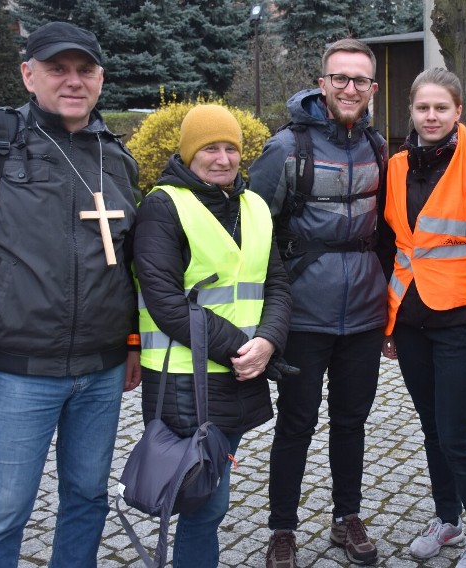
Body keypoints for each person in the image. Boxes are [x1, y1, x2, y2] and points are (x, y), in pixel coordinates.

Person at [0, 21, 142, 568]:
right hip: (16, 369)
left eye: (85, 70)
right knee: (4, 509)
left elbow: (131, 263)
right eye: (58, 68)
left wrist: (131, 341)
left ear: (101, 78)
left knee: (87, 498)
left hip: (101, 370)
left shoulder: (116, 158)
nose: (73, 80)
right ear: (28, 74)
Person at [133, 104, 292, 567]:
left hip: (237, 372)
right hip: (185, 379)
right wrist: (243, 348)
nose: (222, 158)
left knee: (206, 493)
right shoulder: (163, 206)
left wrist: (269, 341)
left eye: (230, 148)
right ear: (188, 153)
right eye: (209, 149)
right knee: (204, 500)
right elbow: (164, 301)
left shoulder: (254, 205)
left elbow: (276, 283)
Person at [248, 38, 387, 567]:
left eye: (361, 80)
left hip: (366, 314)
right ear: (323, 83)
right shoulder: (285, 148)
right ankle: (282, 527)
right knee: (297, 423)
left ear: (372, 89)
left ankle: (346, 516)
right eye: (340, 78)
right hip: (303, 314)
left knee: (352, 421)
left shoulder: (378, 147)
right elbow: (254, 231)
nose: (350, 88)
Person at [379, 68, 466, 567]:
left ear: (458, 112)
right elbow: (393, 245)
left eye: (441, 108)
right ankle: (447, 519)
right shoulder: (396, 166)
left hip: (461, 322)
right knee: (432, 429)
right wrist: (389, 324)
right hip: (411, 320)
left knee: (456, 435)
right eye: (422, 108)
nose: (430, 116)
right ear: (411, 112)